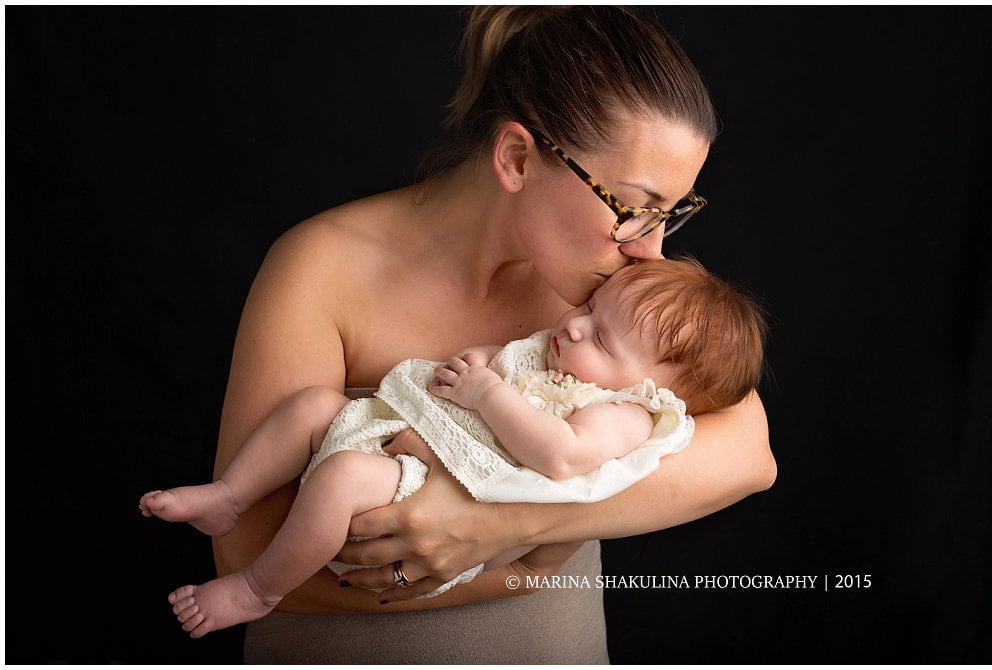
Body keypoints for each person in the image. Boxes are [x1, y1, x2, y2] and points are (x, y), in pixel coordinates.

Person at [210, 6, 775, 663]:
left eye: (668, 215)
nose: (651, 251)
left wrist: (505, 520)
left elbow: (749, 450)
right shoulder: (323, 267)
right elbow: (249, 552)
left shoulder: (608, 294)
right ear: (516, 157)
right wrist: (511, 567)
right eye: (632, 208)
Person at [140, 257, 766, 638]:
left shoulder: (619, 415)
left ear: (648, 388)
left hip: (436, 485)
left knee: (343, 479)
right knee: (309, 407)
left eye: (601, 337)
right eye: (590, 308)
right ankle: (229, 495)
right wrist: (481, 362)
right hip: (394, 427)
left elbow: (561, 454)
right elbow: (507, 360)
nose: (574, 324)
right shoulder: (566, 354)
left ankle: (257, 590)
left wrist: (489, 394)